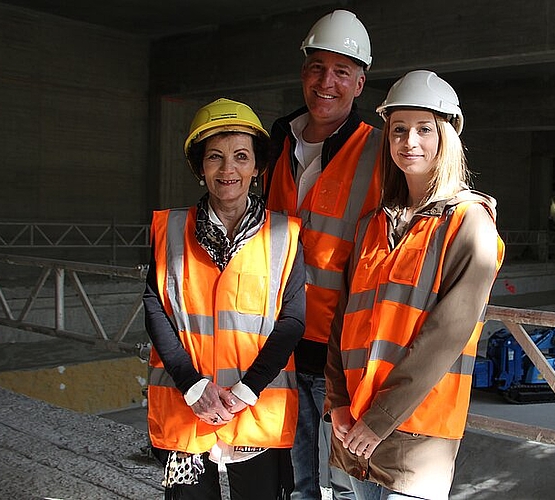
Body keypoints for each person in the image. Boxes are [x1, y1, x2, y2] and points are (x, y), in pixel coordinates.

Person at [325, 70, 505, 499]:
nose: (410, 141)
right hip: (355, 430)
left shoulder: (468, 224)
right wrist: (336, 404)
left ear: (446, 137)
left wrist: (379, 418)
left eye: (425, 129)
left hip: (415, 439)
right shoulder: (373, 225)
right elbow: (343, 322)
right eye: (399, 130)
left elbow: (445, 337)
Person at [143, 97, 306, 499]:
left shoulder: (285, 235)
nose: (228, 169)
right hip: (187, 406)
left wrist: (246, 391)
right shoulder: (171, 229)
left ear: (257, 167)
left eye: (240, 156)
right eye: (215, 157)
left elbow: (292, 320)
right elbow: (155, 306)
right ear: (200, 168)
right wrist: (193, 386)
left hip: (255, 407)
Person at [262, 9, 381, 500]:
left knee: (356, 486)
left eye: (341, 71)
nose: (325, 81)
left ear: (359, 82)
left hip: (343, 357)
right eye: (316, 68)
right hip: (281, 349)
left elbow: (431, 195)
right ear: (303, 73)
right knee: (299, 484)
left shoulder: (379, 148)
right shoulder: (276, 141)